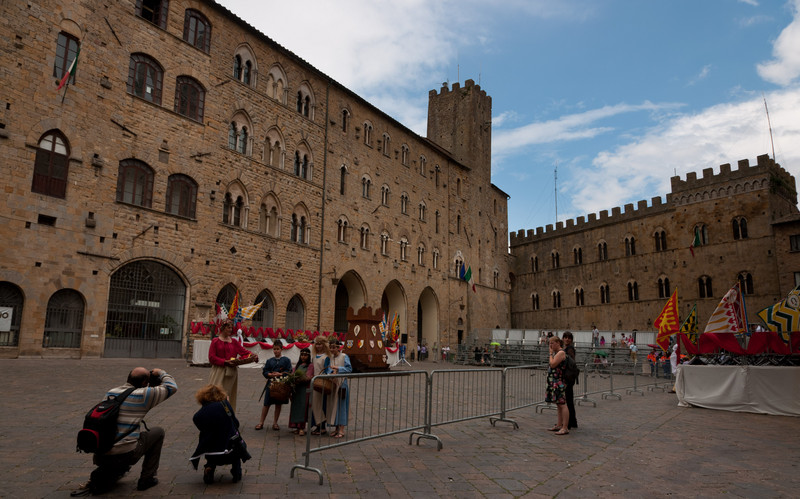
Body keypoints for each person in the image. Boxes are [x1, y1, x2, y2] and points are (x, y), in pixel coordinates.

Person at [73, 367, 178, 495]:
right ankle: (147, 479)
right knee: (158, 432)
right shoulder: (144, 395)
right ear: (145, 382)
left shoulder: (112, 392)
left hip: (101, 453)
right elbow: (171, 387)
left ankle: (114, 471)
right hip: (126, 454)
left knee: (126, 434)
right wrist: (161, 372)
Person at [190, 384, 249, 484]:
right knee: (238, 447)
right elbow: (236, 423)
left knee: (209, 445)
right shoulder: (224, 405)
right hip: (229, 449)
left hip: (211, 452)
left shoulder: (199, 414)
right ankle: (236, 472)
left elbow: (199, 424)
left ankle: (209, 468)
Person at [208, 319, 255, 412]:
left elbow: (244, 352)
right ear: (223, 328)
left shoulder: (233, 341)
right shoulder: (215, 341)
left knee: (228, 394)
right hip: (218, 371)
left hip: (231, 372)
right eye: (228, 327)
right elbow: (211, 358)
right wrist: (224, 361)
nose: (230, 329)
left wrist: (252, 355)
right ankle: (212, 415)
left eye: (231, 328)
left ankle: (227, 416)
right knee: (215, 394)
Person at [255, 343, 292, 430]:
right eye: (274, 349)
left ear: (281, 349)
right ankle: (261, 422)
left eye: (277, 349)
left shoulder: (286, 360)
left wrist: (280, 374)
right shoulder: (270, 361)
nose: (276, 351)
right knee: (266, 403)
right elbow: (265, 371)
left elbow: (289, 371)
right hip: (270, 384)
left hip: (281, 384)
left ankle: (275, 423)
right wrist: (269, 374)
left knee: (278, 404)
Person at [324, 339, 352, 438]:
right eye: (330, 347)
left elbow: (349, 369)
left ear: (338, 347)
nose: (331, 349)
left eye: (333, 347)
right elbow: (327, 369)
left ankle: (341, 429)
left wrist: (338, 369)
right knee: (333, 406)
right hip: (333, 383)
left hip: (341, 383)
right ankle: (336, 428)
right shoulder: (330, 358)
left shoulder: (344, 356)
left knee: (341, 405)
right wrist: (330, 373)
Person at [545, 336, 569, 435]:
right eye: (549, 343)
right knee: (558, 404)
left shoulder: (561, 353)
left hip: (559, 382)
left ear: (558, 343)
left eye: (552, 343)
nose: (550, 346)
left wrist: (550, 354)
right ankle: (559, 425)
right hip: (554, 382)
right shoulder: (557, 353)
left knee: (562, 404)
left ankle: (565, 427)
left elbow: (553, 364)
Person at [288, 347, 314, 436]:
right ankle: (295, 426)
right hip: (296, 389)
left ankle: (301, 427)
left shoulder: (310, 365)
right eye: (302, 355)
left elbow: (309, 376)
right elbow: (292, 373)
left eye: (305, 355)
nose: (303, 357)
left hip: (304, 389)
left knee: (303, 408)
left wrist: (300, 379)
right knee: (295, 407)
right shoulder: (298, 365)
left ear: (309, 356)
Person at [310, 336, 331, 435]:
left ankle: (322, 426)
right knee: (315, 404)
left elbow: (327, 370)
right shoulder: (314, 356)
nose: (318, 346)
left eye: (320, 344)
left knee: (320, 404)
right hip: (314, 382)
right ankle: (317, 425)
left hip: (321, 382)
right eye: (317, 344)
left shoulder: (326, 357)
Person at [562, 331, 578, 430]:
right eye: (565, 337)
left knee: (567, 400)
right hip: (569, 377)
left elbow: (571, 361)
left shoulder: (569, 349)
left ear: (571, 340)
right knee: (569, 399)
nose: (567, 339)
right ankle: (572, 421)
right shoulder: (566, 348)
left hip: (568, 377)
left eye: (569, 338)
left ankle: (568, 423)